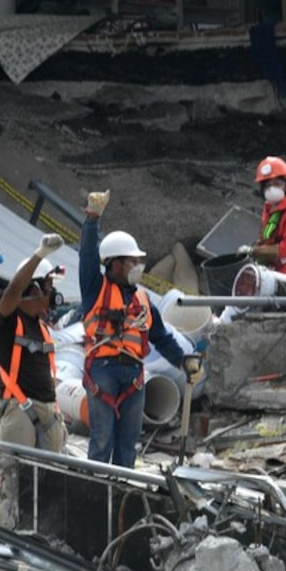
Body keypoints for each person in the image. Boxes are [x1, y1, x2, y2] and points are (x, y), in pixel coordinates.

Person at [80, 191, 197, 467]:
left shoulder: (143, 301)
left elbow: (162, 338)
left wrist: (183, 362)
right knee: (101, 439)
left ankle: (122, 494)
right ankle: (96, 494)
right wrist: (93, 221)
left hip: (134, 375)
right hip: (102, 371)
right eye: (131, 261)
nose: (137, 266)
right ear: (114, 263)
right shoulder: (95, 289)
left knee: (128, 442)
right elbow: (86, 257)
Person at [0, 234, 67, 452]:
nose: (53, 292)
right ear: (35, 289)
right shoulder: (8, 320)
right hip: (19, 410)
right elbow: (13, 292)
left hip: (48, 410)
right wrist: (39, 256)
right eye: (49, 285)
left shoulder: (42, 327)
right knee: (16, 478)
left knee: (50, 480)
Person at [249, 156, 286, 280]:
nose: (272, 189)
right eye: (268, 185)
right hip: (270, 269)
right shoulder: (270, 208)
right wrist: (258, 247)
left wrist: (257, 252)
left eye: (277, 184)